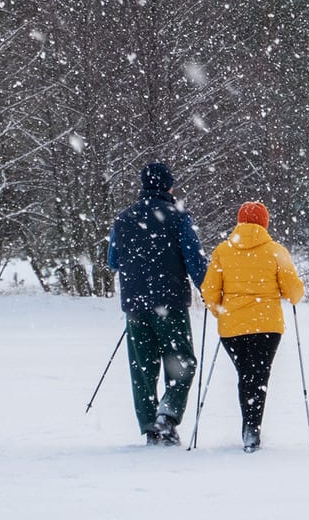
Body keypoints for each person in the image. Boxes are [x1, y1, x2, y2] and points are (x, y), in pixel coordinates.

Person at [107, 162, 204, 446]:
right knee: (182, 362)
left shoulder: (123, 219)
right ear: (169, 187)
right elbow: (195, 261)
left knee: (142, 368)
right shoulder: (178, 217)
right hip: (170, 303)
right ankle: (168, 415)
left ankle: (152, 428)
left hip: (136, 306)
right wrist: (210, 290)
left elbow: (113, 261)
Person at [200, 201, 305, 453]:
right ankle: (252, 428)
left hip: (232, 330)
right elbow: (293, 293)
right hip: (267, 328)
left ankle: (249, 426)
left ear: (239, 222)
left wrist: (221, 313)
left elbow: (209, 292)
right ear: (264, 223)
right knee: (258, 376)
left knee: (245, 374)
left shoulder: (222, 251)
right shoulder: (276, 251)